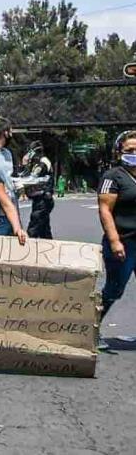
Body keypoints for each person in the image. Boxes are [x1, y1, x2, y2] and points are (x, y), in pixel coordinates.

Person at [97, 131, 136, 331]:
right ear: (119, 152)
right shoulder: (112, 176)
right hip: (123, 242)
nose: (134, 153)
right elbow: (105, 210)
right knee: (115, 289)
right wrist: (114, 240)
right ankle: (89, 329)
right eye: (130, 150)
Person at [21, 141, 55, 239]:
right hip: (40, 199)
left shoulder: (42, 162)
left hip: (43, 199)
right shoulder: (38, 162)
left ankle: (27, 250)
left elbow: (30, 179)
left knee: (33, 229)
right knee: (44, 230)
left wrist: (24, 165)